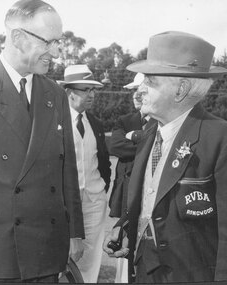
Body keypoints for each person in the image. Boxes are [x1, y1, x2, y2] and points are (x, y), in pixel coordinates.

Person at [0, 0, 84, 282]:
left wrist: (74, 230)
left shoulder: (55, 93)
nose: (58, 53)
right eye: (49, 42)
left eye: (59, 43)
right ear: (17, 37)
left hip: (47, 249)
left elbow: (67, 170)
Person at [103, 31, 227, 283]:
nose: (141, 89)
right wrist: (126, 228)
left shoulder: (219, 138)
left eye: (150, 81)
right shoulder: (150, 133)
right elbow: (151, 199)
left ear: (181, 89)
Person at [58, 64, 111, 283]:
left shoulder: (96, 124)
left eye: (93, 90)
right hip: (63, 203)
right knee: (62, 253)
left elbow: (104, 163)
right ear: (69, 92)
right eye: (86, 89)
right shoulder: (54, 123)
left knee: (90, 256)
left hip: (93, 201)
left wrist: (100, 188)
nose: (92, 95)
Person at [109, 73, 156, 283]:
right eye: (132, 91)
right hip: (128, 193)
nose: (136, 95)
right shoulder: (125, 120)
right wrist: (147, 142)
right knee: (123, 254)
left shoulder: (161, 120)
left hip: (150, 196)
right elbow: (116, 146)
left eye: (141, 90)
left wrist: (136, 138)